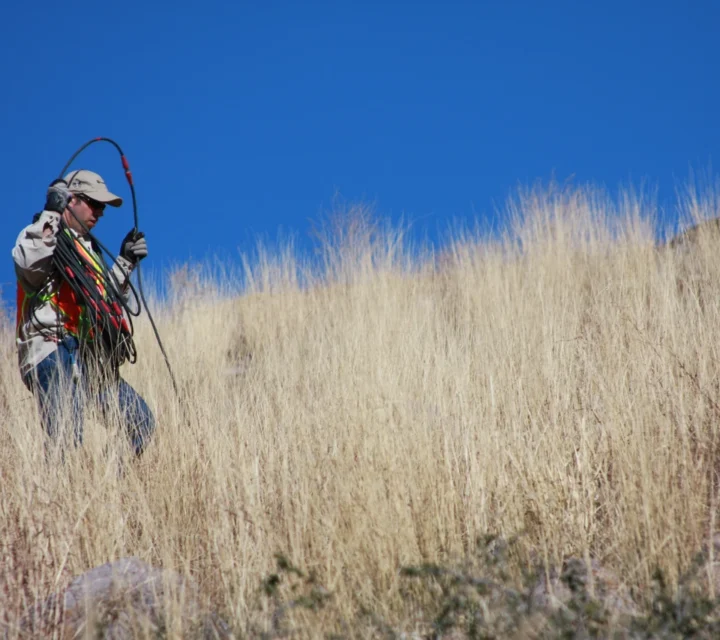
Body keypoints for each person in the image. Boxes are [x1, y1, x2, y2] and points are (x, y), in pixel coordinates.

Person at [12, 170, 155, 456]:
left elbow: (103, 300)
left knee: (141, 422)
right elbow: (29, 265)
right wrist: (51, 212)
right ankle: (58, 497)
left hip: (90, 355)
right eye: (94, 203)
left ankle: (105, 491)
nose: (100, 212)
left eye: (103, 206)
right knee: (66, 440)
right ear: (69, 199)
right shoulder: (43, 234)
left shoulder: (88, 250)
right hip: (53, 347)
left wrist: (125, 262)